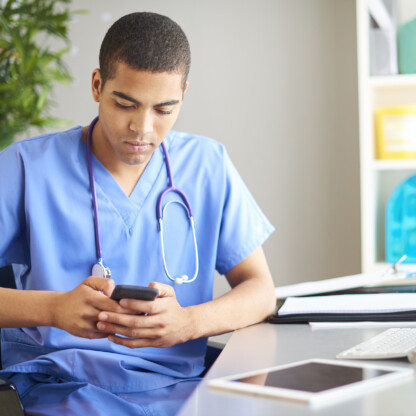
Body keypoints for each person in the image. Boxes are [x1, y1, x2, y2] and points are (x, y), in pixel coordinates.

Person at [0, 12, 275, 415]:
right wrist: (54, 309)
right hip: (63, 391)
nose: (142, 128)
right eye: (125, 104)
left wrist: (188, 323)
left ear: (184, 93)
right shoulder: (27, 167)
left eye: (164, 109)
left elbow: (261, 290)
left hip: (182, 394)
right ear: (97, 85)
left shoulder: (207, 164)